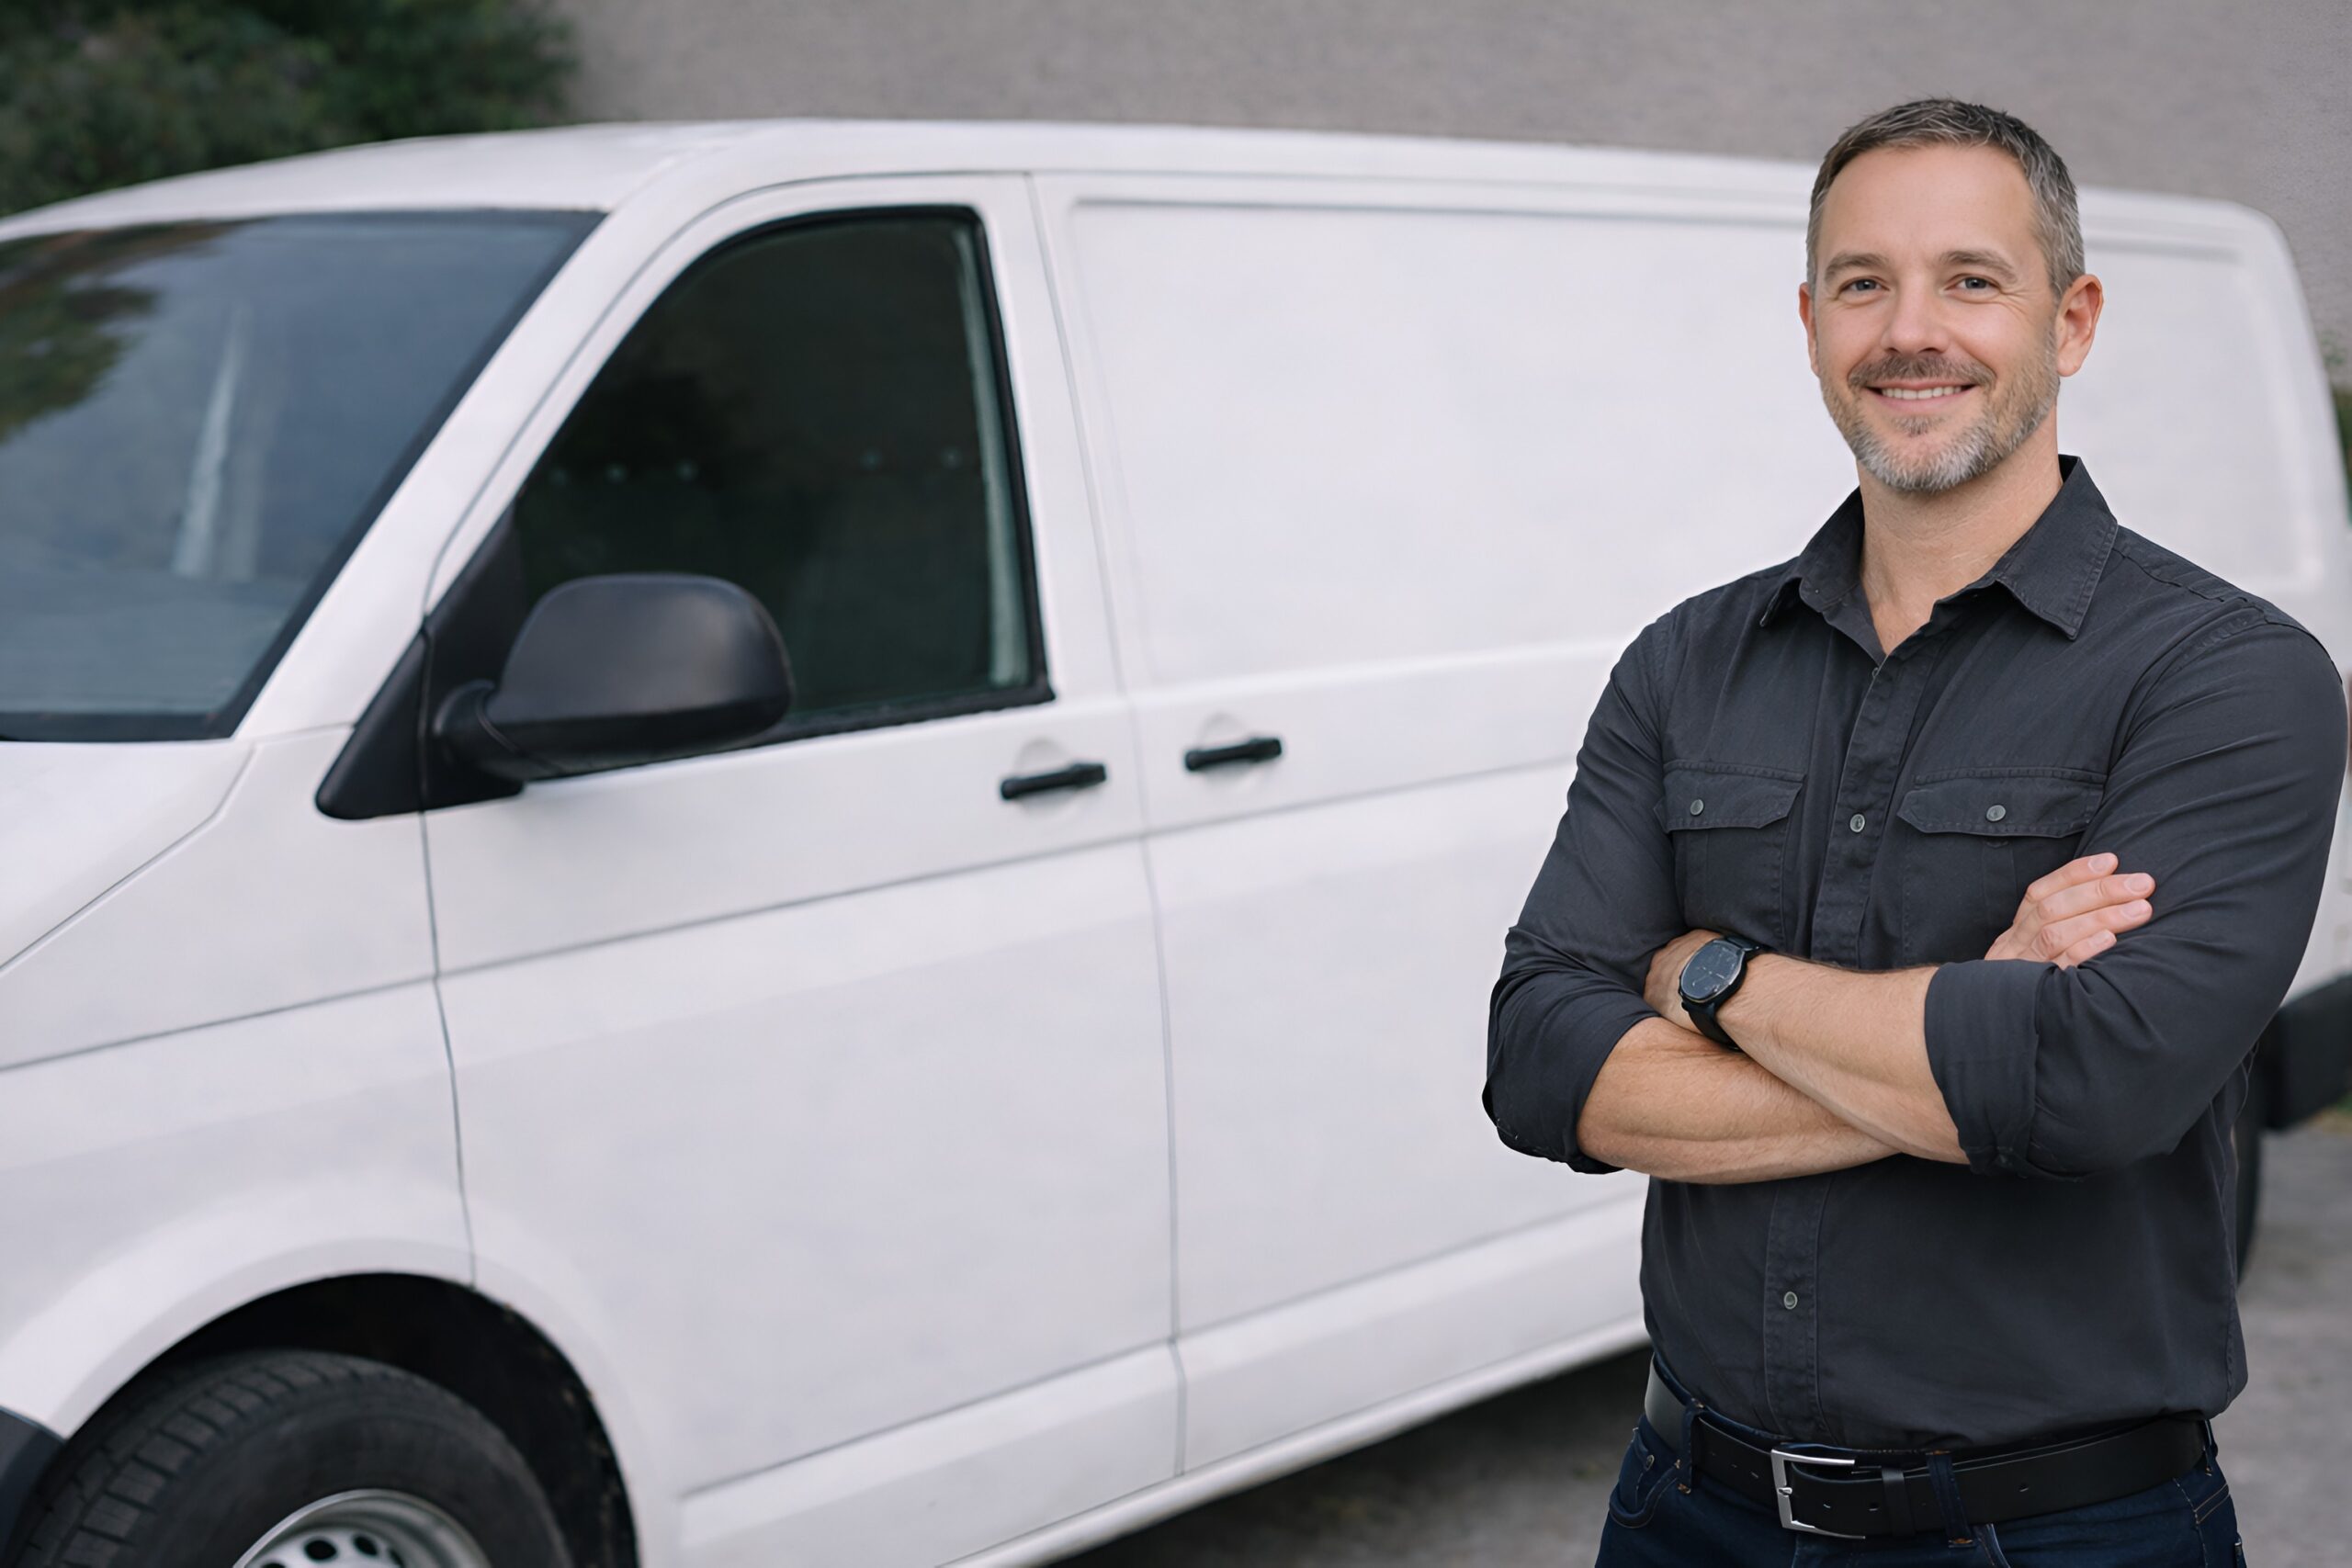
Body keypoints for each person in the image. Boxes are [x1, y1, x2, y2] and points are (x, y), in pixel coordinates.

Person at [1485, 96, 2345, 1565]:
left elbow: (2091, 1088)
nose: (1909, 332)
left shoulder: (2225, 676)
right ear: (1811, 322)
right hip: (1689, 1513)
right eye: (1862, 283)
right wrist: (1974, 1027)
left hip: (2058, 1535)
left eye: (1971, 279)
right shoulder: (1688, 662)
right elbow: (1541, 1061)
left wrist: (1707, 978)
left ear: (2071, 321)